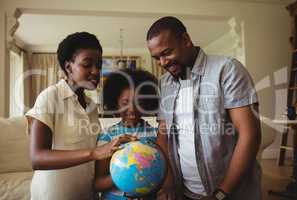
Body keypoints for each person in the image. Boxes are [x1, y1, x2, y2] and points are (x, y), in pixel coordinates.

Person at [146, 16, 262, 200]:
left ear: (185, 40)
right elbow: (163, 135)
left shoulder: (227, 70)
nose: (162, 62)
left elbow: (250, 134)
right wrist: (167, 180)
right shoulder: (164, 83)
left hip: (230, 193)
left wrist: (220, 194)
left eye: (166, 52)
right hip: (184, 192)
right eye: (157, 57)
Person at [26, 32, 136, 200]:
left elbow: (97, 152)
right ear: (68, 67)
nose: (96, 71)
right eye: (87, 64)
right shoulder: (50, 97)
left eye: (99, 65)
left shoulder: (91, 106)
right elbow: (37, 158)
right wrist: (95, 152)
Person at [94, 69, 159, 200]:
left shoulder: (155, 134)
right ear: (115, 103)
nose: (132, 109)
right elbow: (98, 184)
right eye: (125, 103)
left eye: (139, 103)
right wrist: (126, 174)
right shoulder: (107, 136)